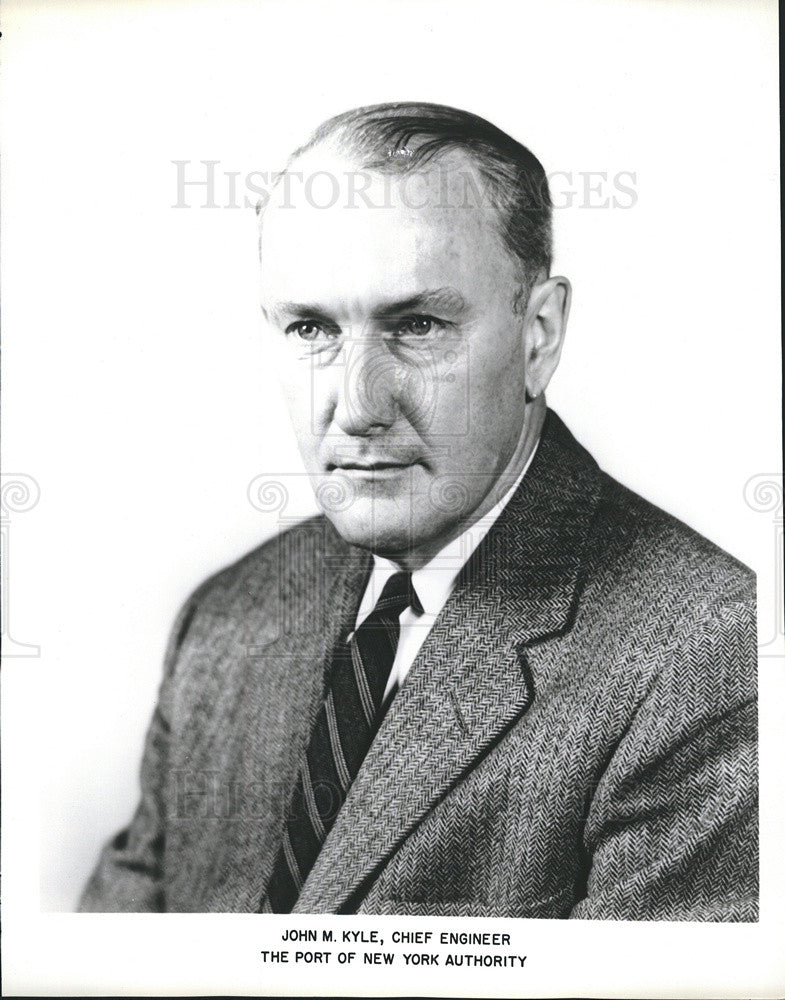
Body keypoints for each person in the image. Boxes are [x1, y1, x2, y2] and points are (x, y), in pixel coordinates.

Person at [79, 102, 757, 919]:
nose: (356, 406)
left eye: (418, 326)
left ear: (538, 335)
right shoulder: (228, 619)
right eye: (310, 328)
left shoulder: (710, 656)